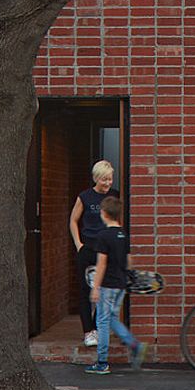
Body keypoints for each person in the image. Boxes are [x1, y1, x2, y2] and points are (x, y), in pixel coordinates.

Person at [85, 195, 146, 375]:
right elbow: (128, 260)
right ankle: (135, 345)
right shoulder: (122, 234)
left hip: (107, 284)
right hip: (120, 284)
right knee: (112, 318)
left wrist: (95, 287)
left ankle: (102, 362)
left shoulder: (103, 236)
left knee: (102, 321)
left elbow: (101, 264)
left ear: (103, 214)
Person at [70, 158, 117, 347]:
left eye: (110, 179)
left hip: (105, 251)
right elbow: (73, 220)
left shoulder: (114, 196)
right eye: (104, 179)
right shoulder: (85, 197)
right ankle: (88, 332)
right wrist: (78, 244)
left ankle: (97, 329)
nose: (107, 183)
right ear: (96, 178)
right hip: (87, 249)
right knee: (85, 291)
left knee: (103, 290)